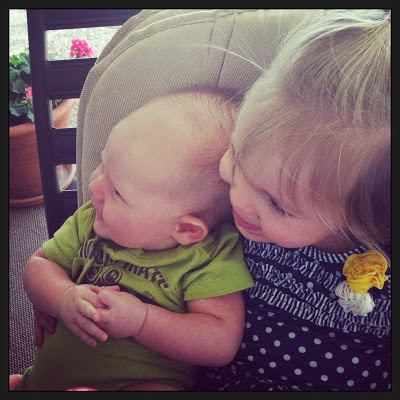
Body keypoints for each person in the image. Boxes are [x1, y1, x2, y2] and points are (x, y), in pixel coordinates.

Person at [12, 88, 254, 391]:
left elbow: (220, 343)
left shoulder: (207, 257)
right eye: (103, 165)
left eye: (118, 192)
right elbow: (39, 265)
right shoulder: (92, 220)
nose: (94, 187)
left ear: (186, 230)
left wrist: (141, 321)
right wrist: (62, 297)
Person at [199, 9, 391, 391]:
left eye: (277, 204)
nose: (238, 198)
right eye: (236, 157)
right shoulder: (223, 223)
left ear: (368, 222)